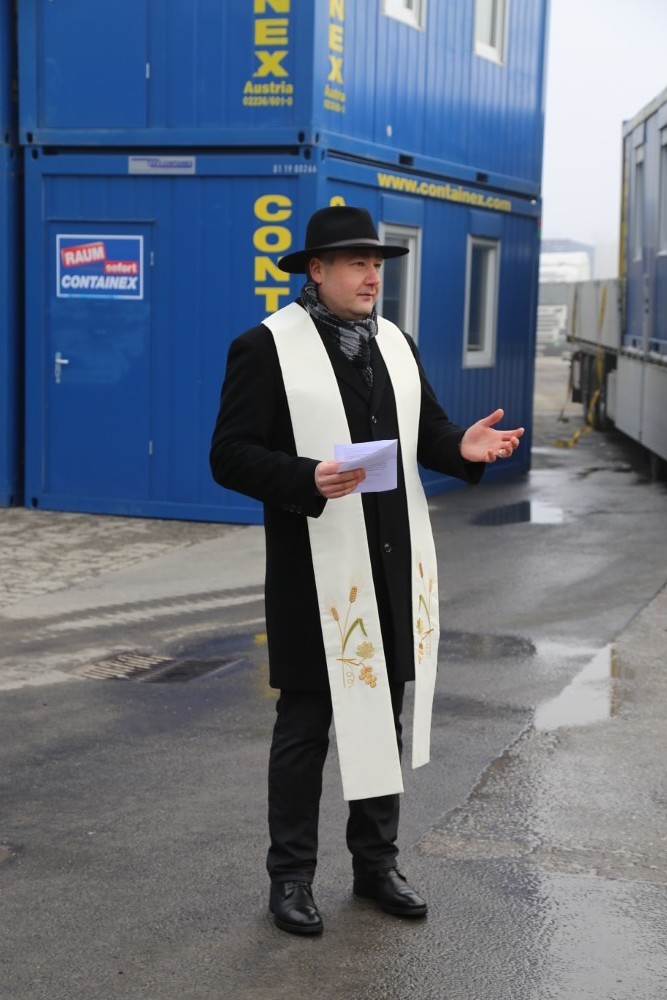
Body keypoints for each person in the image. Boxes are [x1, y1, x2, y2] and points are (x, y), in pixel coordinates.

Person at [210, 205, 523, 936]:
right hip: (313, 572)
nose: (372, 276)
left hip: (389, 568)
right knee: (305, 729)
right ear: (316, 271)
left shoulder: (395, 344)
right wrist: (304, 477)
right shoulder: (265, 347)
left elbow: (426, 431)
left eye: (377, 263)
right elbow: (229, 455)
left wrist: (460, 447)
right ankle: (290, 878)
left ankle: (375, 866)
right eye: (356, 263)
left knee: (382, 720)